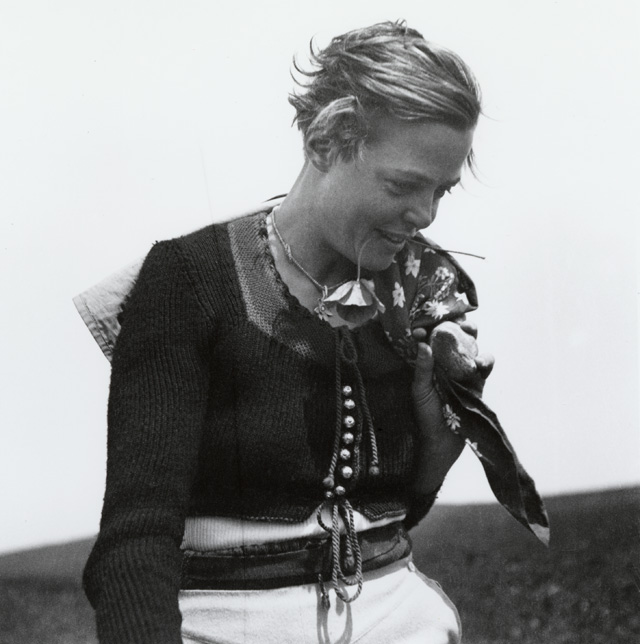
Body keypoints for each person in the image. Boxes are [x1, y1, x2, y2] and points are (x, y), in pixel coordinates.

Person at [81, 20, 543, 644]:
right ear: (327, 140)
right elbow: (136, 537)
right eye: (404, 185)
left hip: (398, 618)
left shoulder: (423, 290)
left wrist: (436, 444)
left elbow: (391, 515)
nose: (425, 215)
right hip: (224, 623)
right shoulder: (189, 280)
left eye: (442, 190)